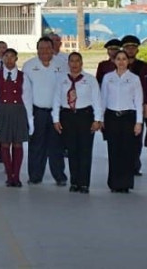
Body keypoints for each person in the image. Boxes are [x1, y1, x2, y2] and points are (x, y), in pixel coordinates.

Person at [52, 52, 102, 194]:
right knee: (72, 150)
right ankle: (74, 182)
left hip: (85, 116)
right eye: (72, 61)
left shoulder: (90, 79)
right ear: (68, 63)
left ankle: (84, 183)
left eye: (77, 61)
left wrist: (97, 119)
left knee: (85, 150)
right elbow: (56, 99)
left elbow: (97, 100)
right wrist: (56, 119)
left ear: (82, 63)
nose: (74, 64)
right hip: (67, 116)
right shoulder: (62, 79)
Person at [23, 37, 68, 186]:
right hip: (37, 112)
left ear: (53, 49)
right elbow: (25, 92)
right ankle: (35, 176)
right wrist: (28, 115)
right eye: (41, 48)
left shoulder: (62, 65)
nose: (45, 51)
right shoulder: (29, 66)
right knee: (36, 145)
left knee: (57, 146)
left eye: (48, 48)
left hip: (57, 113)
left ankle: (59, 176)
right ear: (37, 50)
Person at [0, 48, 33, 188]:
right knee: (5, 144)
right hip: (3, 111)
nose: (9, 59)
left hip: (18, 111)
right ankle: (9, 175)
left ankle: (16, 176)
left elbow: (27, 98)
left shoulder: (23, 76)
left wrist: (30, 120)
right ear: (2, 59)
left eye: (12, 56)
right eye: (6, 56)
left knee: (18, 144)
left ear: (16, 59)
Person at [100, 50, 143, 193]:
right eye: (118, 59)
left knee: (127, 151)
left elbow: (138, 101)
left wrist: (138, 122)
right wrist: (101, 118)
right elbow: (103, 99)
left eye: (124, 59)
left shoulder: (134, 79)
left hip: (128, 118)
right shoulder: (108, 78)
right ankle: (114, 183)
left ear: (128, 61)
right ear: (114, 61)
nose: (121, 62)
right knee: (113, 150)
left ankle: (125, 184)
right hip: (112, 117)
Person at [120, 35, 147, 177]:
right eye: (127, 47)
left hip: (137, 106)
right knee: (121, 138)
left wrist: (146, 105)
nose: (130, 50)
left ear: (137, 49)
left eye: (133, 47)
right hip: (120, 107)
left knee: (136, 138)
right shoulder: (118, 65)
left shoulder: (143, 66)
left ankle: (134, 165)